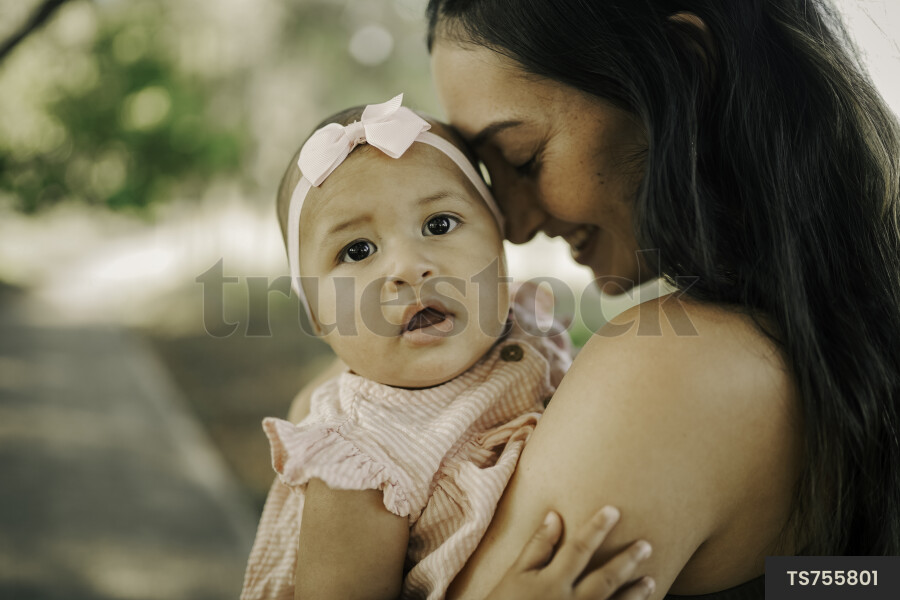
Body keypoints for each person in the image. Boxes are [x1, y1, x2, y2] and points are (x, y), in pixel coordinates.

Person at [398, 0, 896, 598]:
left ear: (685, 68)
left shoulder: (669, 372)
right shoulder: (848, 336)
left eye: (524, 159)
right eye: (488, 173)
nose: (513, 223)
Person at [240, 95, 656, 600]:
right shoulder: (359, 461)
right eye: (357, 251)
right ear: (317, 316)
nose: (409, 266)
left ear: (499, 248)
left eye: (438, 225)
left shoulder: (528, 325)